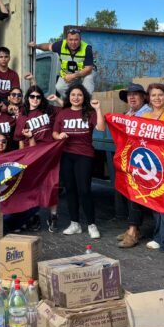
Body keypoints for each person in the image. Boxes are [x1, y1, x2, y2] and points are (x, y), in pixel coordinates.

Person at [120, 66, 164, 251]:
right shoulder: (146, 116)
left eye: (160, 95)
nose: (157, 98)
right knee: (155, 201)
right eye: (153, 95)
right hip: (151, 164)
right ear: (148, 99)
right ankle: (158, 238)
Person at [53, 84, 105, 239]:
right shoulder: (63, 113)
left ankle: (91, 224)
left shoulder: (89, 112)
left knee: (84, 190)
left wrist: (98, 109)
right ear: (69, 97)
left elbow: (101, 128)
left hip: (85, 155)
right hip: (67, 155)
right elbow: (55, 133)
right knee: (70, 190)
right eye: (73, 94)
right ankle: (74, 223)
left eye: (79, 95)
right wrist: (59, 136)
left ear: (84, 98)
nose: (76, 97)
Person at [15, 85, 60, 232]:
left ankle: (53, 216)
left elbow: (68, 109)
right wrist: (22, 158)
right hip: (33, 154)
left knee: (52, 183)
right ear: (27, 98)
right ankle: (33, 216)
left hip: (50, 151)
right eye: (32, 96)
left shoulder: (48, 110)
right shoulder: (23, 116)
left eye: (38, 97)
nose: (35, 99)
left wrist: (58, 99)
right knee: (33, 186)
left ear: (42, 98)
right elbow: (20, 138)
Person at [113, 83, 150, 230]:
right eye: (129, 95)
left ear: (143, 97)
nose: (132, 97)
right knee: (126, 192)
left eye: (136, 94)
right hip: (129, 159)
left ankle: (134, 230)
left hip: (142, 160)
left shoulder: (147, 114)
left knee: (135, 194)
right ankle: (131, 227)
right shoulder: (127, 115)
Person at [28, 28, 95, 96]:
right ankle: (71, 102)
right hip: (67, 73)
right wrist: (36, 46)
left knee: (89, 79)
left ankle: (86, 102)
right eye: (70, 39)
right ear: (66, 39)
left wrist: (73, 76)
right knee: (59, 87)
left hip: (83, 73)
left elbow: (88, 69)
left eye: (76, 40)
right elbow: (48, 46)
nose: (73, 42)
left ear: (80, 39)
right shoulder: (60, 45)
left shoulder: (87, 48)